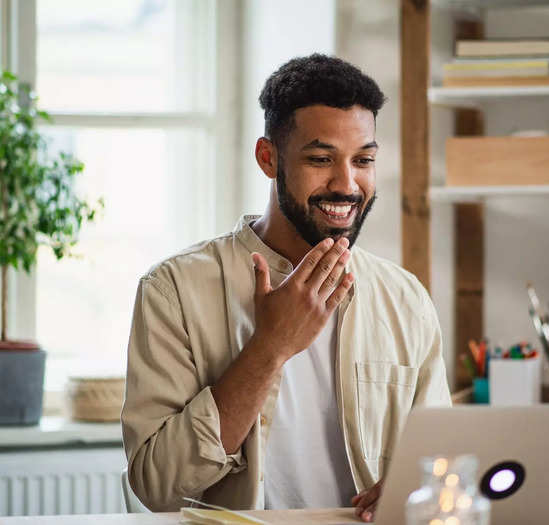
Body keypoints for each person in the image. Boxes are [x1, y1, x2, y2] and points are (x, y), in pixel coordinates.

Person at [121, 54, 451, 522]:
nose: (347, 183)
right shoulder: (173, 289)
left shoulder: (405, 297)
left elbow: (443, 463)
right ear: (268, 157)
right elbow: (156, 486)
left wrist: (419, 483)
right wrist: (270, 347)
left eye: (364, 160)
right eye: (321, 159)